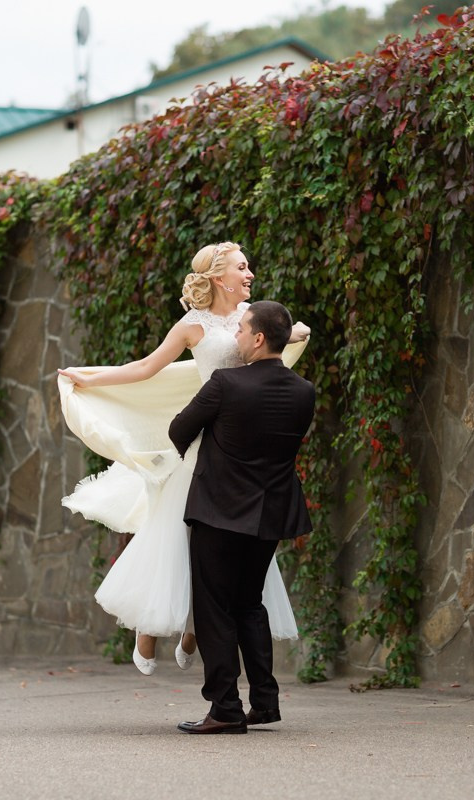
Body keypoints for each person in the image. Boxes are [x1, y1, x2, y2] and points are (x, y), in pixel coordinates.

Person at [57, 242, 310, 675]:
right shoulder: (192, 325)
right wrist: (91, 378)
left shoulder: (253, 318)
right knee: (178, 531)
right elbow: (146, 367)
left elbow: (276, 345)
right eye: (242, 267)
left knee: (229, 540)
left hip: (239, 445)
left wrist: (297, 332)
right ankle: (150, 625)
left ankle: (195, 628)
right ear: (220, 277)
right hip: (204, 437)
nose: (250, 273)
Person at [169, 300, 315, 734]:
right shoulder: (303, 391)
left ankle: (226, 709)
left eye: (241, 330)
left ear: (258, 338)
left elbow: (179, 429)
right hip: (271, 512)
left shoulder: (226, 383)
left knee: (214, 607)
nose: (235, 336)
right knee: (250, 603)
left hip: (219, 509)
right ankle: (264, 703)